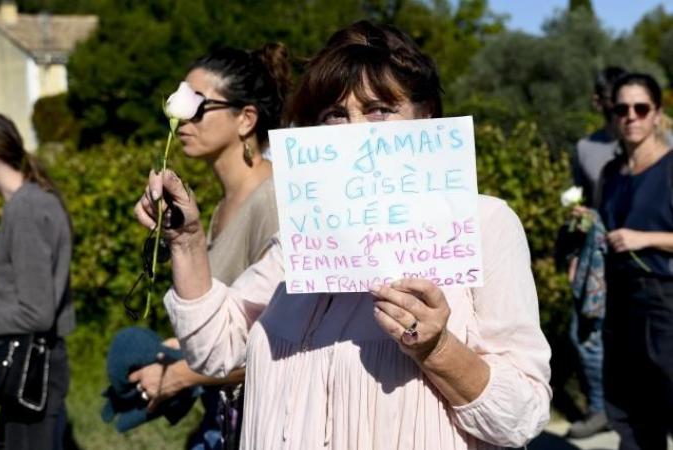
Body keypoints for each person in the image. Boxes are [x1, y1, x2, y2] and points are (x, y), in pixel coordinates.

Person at [135, 21, 551, 449]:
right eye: (334, 114)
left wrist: (437, 349)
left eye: (379, 110)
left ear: (424, 115)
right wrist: (186, 242)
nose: (354, 131)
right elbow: (213, 350)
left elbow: (522, 416)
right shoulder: (304, 238)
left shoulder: (484, 224)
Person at [126, 43, 288, 450]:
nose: (182, 120)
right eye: (177, 105)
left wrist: (181, 376)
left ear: (245, 118)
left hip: (268, 423)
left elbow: (280, 341)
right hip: (226, 417)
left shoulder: (274, 199)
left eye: (198, 106)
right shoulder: (218, 207)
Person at [0, 112, 74, 450]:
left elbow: (37, 313)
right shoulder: (30, 201)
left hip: (33, 370)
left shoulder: (27, 209)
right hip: (25, 370)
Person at [598, 73, 673, 450]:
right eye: (622, 109)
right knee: (630, 412)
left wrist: (645, 239)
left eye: (641, 108)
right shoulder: (611, 174)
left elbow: (640, 235)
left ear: (657, 114)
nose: (631, 116)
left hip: (664, 302)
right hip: (619, 302)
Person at [564, 66, 626, 439]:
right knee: (585, 333)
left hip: (650, 252)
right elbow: (581, 204)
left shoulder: (662, 141)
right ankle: (601, 408)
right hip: (598, 257)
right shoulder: (586, 148)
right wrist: (574, 255)